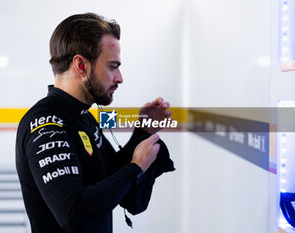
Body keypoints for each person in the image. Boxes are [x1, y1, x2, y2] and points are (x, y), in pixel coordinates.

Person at [15, 12, 175, 233]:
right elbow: (73, 213)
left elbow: (115, 181)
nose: (119, 77)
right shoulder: (46, 124)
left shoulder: (83, 116)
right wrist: (136, 167)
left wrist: (143, 130)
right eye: (112, 66)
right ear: (81, 65)